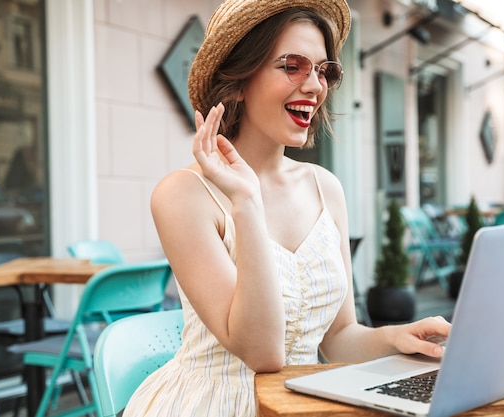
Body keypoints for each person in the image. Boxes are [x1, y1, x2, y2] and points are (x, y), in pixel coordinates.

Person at [123, 0, 451, 415]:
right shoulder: (182, 195)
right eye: (291, 66)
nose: (314, 86)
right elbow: (263, 354)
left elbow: (337, 337)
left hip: (306, 404)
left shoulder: (325, 188)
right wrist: (246, 201)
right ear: (241, 80)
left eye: (322, 69)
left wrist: (396, 338)